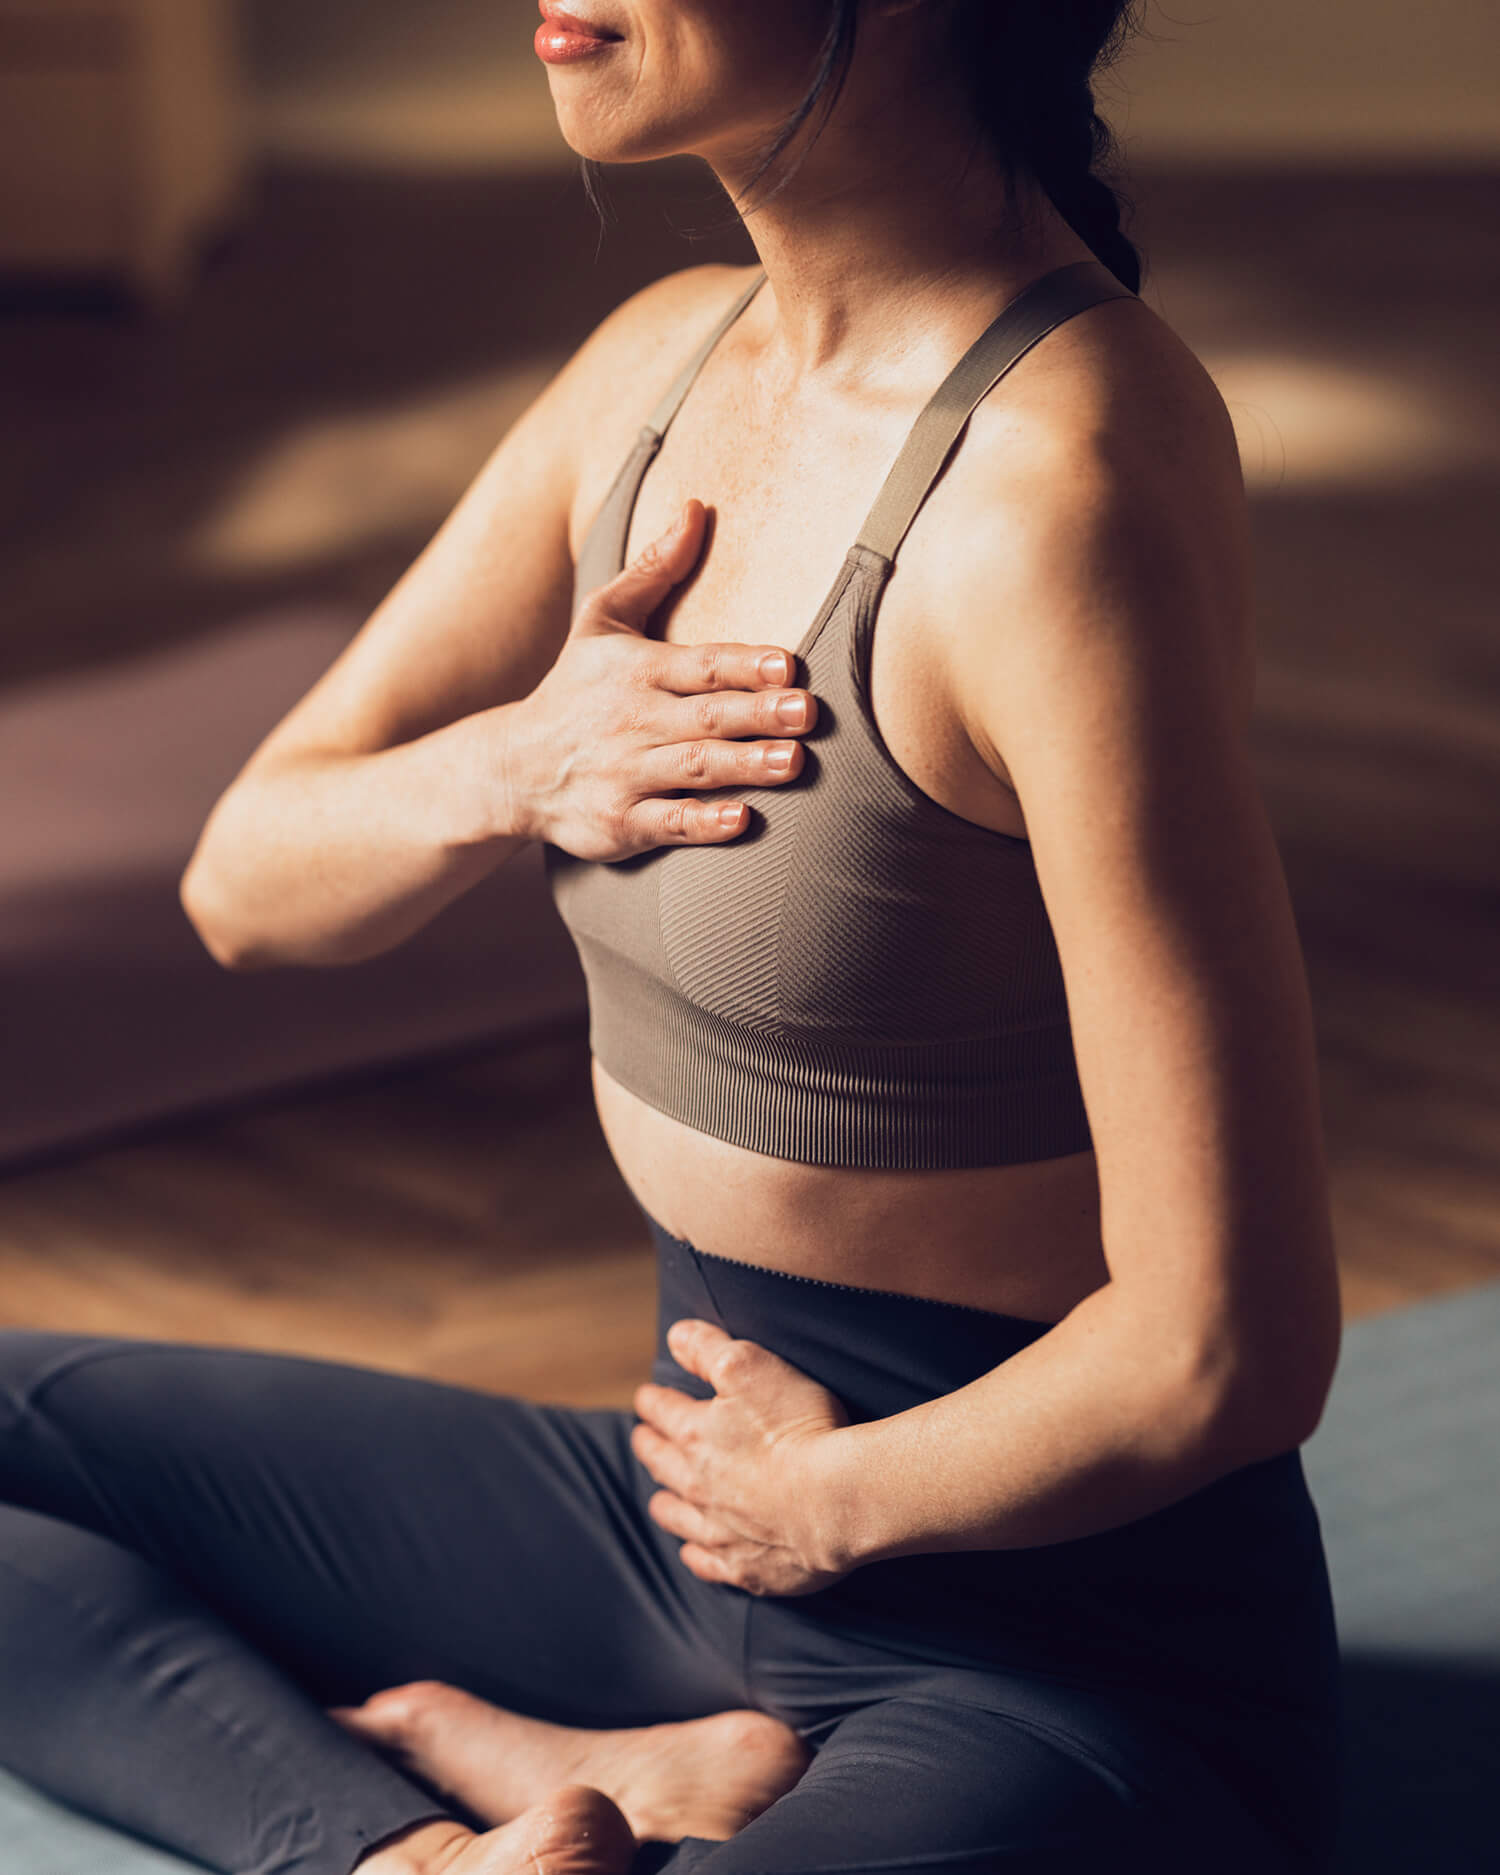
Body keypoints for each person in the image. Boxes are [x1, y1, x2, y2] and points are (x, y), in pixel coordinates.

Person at [0, 3, 1346, 1873]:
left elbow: (1225, 1349)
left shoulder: (1056, 491)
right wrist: (515, 761)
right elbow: (249, 886)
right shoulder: (659, 366)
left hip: (1051, 1648)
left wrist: (828, 1503)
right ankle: (421, 1849)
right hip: (684, 1514)